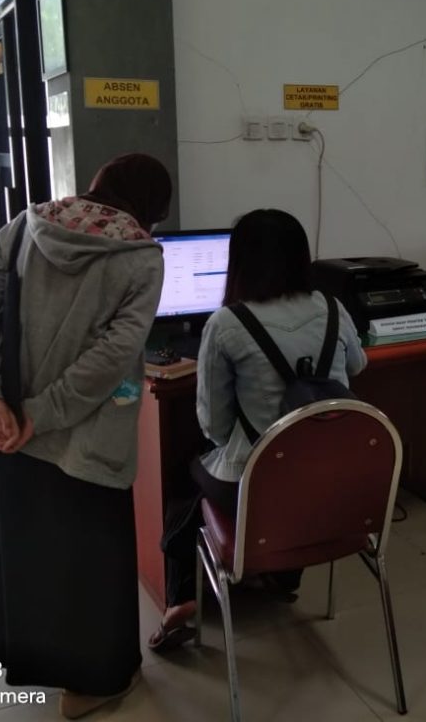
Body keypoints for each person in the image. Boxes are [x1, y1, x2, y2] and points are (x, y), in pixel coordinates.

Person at [0, 153, 171, 720]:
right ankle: (94, 684)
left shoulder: (25, 225)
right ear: (152, 208)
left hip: (9, 426)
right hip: (87, 436)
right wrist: (44, 412)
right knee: (93, 564)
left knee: (31, 550)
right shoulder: (141, 257)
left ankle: (38, 665)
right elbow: (114, 356)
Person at [147, 208, 367, 650]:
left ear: (240, 260)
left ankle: (180, 599)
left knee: (184, 475)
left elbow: (213, 425)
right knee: (299, 459)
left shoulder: (227, 324)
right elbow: (357, 365)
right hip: (336, 479)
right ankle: (284, 576)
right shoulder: (333, 307)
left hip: (259, 483)